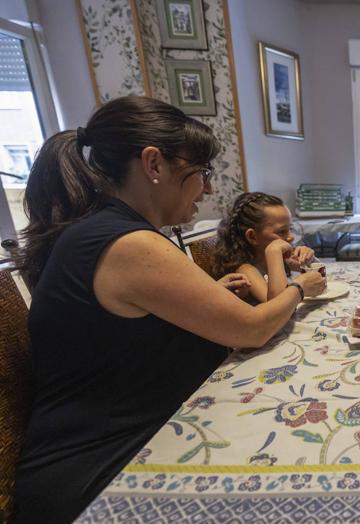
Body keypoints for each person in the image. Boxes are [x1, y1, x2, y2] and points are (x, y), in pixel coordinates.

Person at [12, 96, 326, 522]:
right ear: (154, 165)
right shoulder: (130, 244)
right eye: (201, 173)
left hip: (132, 441)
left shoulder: (105, 231)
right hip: (100, 475)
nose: (209, 189)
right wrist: (300, 290)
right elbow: (254, 329)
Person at [213, 192, 317, 304]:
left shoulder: (283, 259)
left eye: (290, 228)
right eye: (282, 231)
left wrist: (309, 260)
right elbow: (279, 305)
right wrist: (274, 252)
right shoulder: (245, 270)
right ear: (252, 236)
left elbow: (319, 280)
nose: (291, 237)